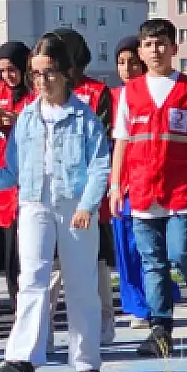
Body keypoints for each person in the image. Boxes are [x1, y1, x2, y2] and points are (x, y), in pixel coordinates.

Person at [0, 34, 111, 372]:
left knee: (80, 282)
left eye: (49, 72)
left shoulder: (85, 117)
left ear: (67, 73)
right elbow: (11, 170)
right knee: (32, 280)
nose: (42, 81)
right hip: (34, 204)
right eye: (36, 74)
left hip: (74, 206)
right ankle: (23, 358)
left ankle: (87, 362)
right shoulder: (25, 118)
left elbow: (101, 165)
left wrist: (88, 205)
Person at [109, 18, 187, 356]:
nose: (155, 50)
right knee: (152, 262)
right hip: (143, 188)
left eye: (162, 43)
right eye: (148, 44)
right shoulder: (130, 93)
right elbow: (122, 142)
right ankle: (161, 329)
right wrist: (117, 186)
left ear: (174, 49)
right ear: (141, 51)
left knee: (180, 251)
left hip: (182, 189)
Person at [55, 27, 117, 345]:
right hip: (54, 193)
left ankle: (105, 321)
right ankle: (44, 330)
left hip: (89, 191)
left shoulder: (96, 92)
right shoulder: (45, 94)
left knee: (96, 259)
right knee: (52, 263)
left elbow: (103, 140)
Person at [109, 36, 165, 329]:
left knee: (146, 245)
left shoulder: (150, 94)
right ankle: (135, 304)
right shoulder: (113, 96)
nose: (127, 68)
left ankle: (152, 302)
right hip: (121, 181)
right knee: (125, 247)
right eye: (121, 62)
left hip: (148, 179)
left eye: (132, 61)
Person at [0, 42, 32, 312]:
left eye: (12, 69)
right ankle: (16, 305)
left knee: (28, 250)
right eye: (2, 71)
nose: (7, 76)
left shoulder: (36, 94)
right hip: (3, 180)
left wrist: (17, 121)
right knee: (9, 251)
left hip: (31, 179)